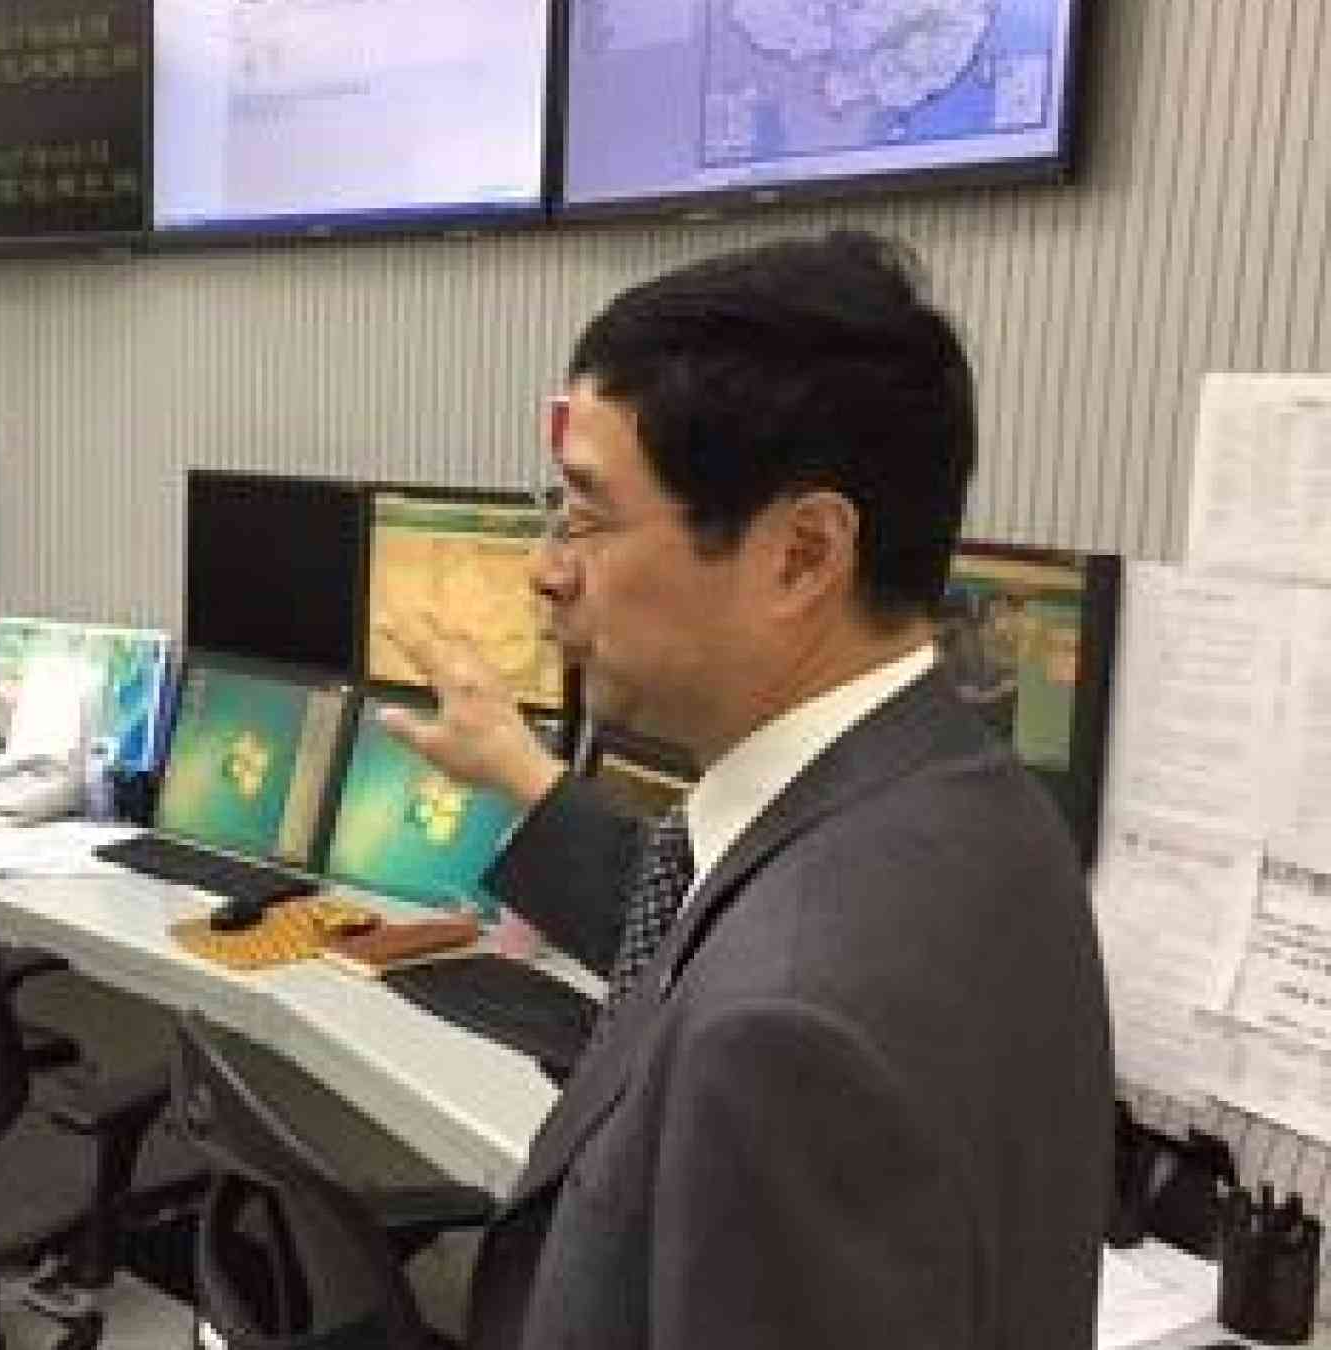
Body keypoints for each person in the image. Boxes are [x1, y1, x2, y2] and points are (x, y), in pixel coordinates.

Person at [382, 233, 1111, 1350]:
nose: (544, 567)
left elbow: (759, 979)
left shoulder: (786, 1037)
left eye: (586, 512)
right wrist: (520, 773)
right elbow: (718, 913)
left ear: (802, 555)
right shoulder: (966, 803)